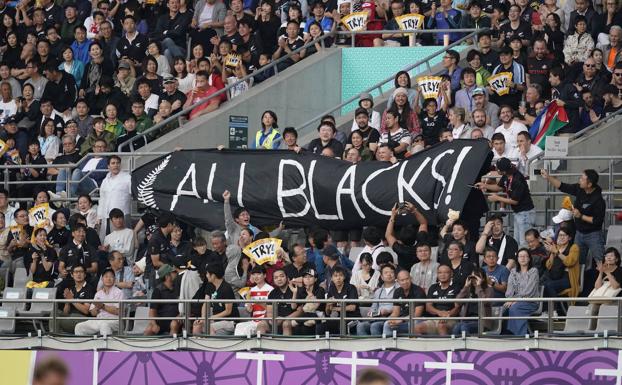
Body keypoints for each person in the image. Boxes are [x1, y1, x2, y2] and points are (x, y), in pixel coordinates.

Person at [541, 169, 606, 269]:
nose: (579, 180)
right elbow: (563, 186)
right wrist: (548, 177)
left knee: (599, 260)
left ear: (589, 184)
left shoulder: (598, 200)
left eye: (582, 179)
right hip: (579, 233)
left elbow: (597, 221)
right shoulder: (579, 188)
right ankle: (579, 283)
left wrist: (581, 216)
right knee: (577, 261)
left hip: (594, 234)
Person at [478, 158, 535, 246]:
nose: (496, 169)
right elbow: (499, 187)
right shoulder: (507, 174)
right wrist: (484, 185)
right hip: (518, 212)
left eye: (498, 169)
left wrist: (497, 198)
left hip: (525, 213)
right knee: (516, 241)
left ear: (503, 171)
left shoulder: (517, 179)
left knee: (524, 243)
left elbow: (514, 201)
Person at [74, 267, 123, 336]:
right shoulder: (98, 293)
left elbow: (118, 311)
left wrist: (102, 306)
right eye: (106, 277)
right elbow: (93, 313)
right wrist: (97, 308)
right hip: (99, 320)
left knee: (104, 325)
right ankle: (85, 346)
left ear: (114, 279)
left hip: (114, 320)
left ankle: (104, 347)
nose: (108, 279)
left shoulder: (119, 292)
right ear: (102, 279)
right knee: (79, 326)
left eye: (111, 277)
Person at [192, 263, 238, 335]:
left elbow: (228, 311)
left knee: (209, 328)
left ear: (213, 275)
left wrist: (211, 317)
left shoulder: (226, 288)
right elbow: (206, 303)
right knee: (197, 325)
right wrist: (203, 318)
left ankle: (211, 345)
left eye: (207, 273)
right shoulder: (210, 285)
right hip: (214, 319)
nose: (206, 276)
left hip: (229, 321)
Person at [542, 228, 580, 315]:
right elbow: (548, 266)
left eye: (564, 235)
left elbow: (570, 262)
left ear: (569, 238)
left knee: (550, 285)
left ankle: (554, 311)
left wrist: (557, 252)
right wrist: (552, 252)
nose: (561, 237)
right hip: (554, 276)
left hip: (567, 278)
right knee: (544, 285)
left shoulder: (574, 247)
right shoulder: (556, 247)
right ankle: (545, 311)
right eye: (560, 235)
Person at [415, 265, 460, 335]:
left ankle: (445, 346)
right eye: (440, 273)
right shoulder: (433, 287)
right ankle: (425, 346)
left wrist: (447, 315)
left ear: (451, 274)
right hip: (434, 319)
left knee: (441, 325)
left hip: (451, 318)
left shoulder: (457, 287)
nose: (442, 275)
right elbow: (428, 307)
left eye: (446, 272)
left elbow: (457, 308)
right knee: (417, 328)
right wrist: (439, 313)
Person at [504, 248, 540, 335]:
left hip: (530, 302)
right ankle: (506, 335)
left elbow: (528, 292)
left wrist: (515, 300)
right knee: (504, 309)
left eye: (525, 256)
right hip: (515, 302)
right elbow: (509, 291)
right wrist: (511, 299)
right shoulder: (513, 272)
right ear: (517, 259)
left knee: (515, 308)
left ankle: (520, 335)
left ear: (529, 258)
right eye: (520, 256)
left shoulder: (533, 271)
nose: (523, 258)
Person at [356, 263, 398, 336]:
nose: (389, 274)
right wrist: (371, 313)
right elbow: (374, 307)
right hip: (378, 317)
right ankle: (366, 346)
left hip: (391, 318)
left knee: (375, 326)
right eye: (386, 273)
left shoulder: (399, 289)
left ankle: (379, 346)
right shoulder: (378, 291)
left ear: (395, 275)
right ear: (381, 277)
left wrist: (388, 311)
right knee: (360, 326)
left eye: (391, 272)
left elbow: (400, 307)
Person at [318, 265, 361, 335]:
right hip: (339, 318)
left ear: (344, 277)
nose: (338, 278)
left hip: (352, 318)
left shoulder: (351, 288)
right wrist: (328, 305)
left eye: (340, 275)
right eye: (335, 276)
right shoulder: (331, 290)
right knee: (320, 327)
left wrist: (335, 308)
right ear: (332, 278)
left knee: (340, 326)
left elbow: (352, 307)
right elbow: (328, 312)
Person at [97, 155, 132, 236]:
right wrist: (99, 215)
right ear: (108, 166)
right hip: (107, 215)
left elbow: (133, 193)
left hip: (122, 214)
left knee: (123, 238)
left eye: (118, 163)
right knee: (107, 240)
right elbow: (102, 199)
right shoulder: (105, 181)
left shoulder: (127, 178)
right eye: (113, 163)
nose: (116, 165)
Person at [234, 264, 274, 336]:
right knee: (238, 326)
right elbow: (249, 310)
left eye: (258, 274)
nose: (256, 276)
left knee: (247, 329)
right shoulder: (251, 290)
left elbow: (271, 309)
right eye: (253, 274)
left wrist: (257, 302)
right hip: (254, 320)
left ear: (265, 275)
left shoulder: (270, 289)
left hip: (266, 321)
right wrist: (248, 299)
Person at [453, 267, 494, 335]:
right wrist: (465, 287)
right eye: (473, 277)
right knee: (457, 327)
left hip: (482, 322)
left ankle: (467, 345)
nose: (474, 280)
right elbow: (457, 303)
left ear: (483, 279)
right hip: (467, 320)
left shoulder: (489, 290)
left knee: (464, 327)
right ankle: (455, 345)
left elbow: (484, 302)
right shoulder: (468, 290)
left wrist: (478, 286)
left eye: (477, 277)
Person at [257, 268, 296, 335]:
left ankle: (285, 345)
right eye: (276, 277)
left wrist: (285, 319)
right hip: (277, 320)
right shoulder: (272, 293)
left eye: (282, 276)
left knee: (286, 324)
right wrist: (273, 319)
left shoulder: (294, 289)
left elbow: (300, 311)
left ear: (287, 277)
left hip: (291, 319)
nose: (279, 279)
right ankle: (259, 345)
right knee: (261, 324)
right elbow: (269, 313)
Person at [144, 264, 181, 335]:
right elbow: (152, 311)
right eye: (173, 272)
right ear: (167, 276)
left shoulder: (179, 287)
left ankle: (172, 345)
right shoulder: (157, 290)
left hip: (176, 319)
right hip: (161, 321)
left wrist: (179, 315)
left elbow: (183, 307)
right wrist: (154, 324)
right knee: (148, 330)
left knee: (174, 324)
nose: (176, 273)